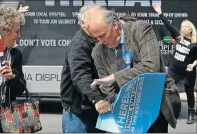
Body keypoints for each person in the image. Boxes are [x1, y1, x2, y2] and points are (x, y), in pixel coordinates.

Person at [88, 5, 181, 133]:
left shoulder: (140, 29)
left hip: (153, 108)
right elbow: (107, 88)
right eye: (96, 38)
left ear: (115, 25)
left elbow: (151, 66)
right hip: (125, 115)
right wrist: (115, 105)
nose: (100, 41)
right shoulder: (97, 52)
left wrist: (114, 77)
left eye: (102, 36)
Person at [60, 5, 106, 133]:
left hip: (93, 111)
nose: (101, 21)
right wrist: (97, 99)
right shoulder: (79, 44)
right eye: (96, 18)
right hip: (79, 114)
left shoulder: (98, 40)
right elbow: (80, 75)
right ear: (83, 23)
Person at [153, 4, 197, 124]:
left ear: (191, 29)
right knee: (166, 89)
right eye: (182, 27)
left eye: (186, 27)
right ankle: (166, 112)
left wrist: (193, 65)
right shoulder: (177, 35)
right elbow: (167, 24)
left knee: (189, 93)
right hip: (174, 70)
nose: (184, 29)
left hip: (188, 72)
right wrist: (159, 12)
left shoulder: (195, 43)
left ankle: (191, 113)